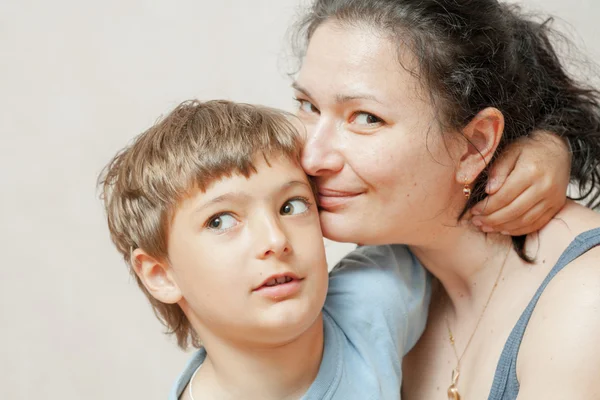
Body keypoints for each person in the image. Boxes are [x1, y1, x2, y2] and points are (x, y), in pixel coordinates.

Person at [291, 0, 600, 398]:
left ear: (475, 145)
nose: (313, 158)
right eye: (307, 106)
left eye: (366, 118)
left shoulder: (585, 302)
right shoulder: (392, 289)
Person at [98, 100, 430, 400]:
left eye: (291, 206)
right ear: (161, 275)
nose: (275, 240)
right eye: (220, 221)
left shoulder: (374, 299)